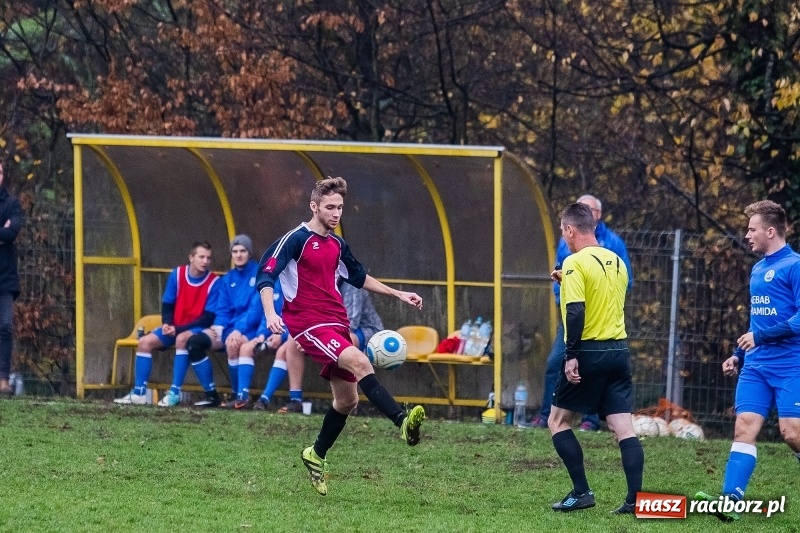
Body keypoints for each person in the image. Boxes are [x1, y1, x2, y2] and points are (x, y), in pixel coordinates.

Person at [256, 176, 426, 496]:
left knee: (347, 401)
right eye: (330, 207)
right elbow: (265, 275)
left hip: (336, 323)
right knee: (361, 362)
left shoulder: (337, 244)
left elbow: (359, 277)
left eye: (340, 208)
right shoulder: (296, 239)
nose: (336, 214)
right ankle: (403, 423)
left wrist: (398, 294)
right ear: (314, 206)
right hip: (308, 323)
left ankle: (315, 454)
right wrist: (269, 313)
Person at [696, 200, 800, 522]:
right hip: (756, 364)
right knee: (744, 428)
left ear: (771, 231)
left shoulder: (795, 265)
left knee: (792, 433)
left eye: (752, 229)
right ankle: (731, 500)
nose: (747, 234)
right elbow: (759, 321)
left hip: (791, 365)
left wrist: (760, 339)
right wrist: (739, 353)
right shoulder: (757, 269)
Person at [548, 202, 643, 515]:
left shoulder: (575, 262)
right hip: (618, 351)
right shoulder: (616, 260)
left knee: (558, 421)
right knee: (623, 428)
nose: (564, 237)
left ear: (571, 230)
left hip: (589, 351)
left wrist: (571, 355)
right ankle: (635, 501)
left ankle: (582, 492)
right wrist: (567, 279)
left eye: (563, 231)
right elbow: (600, 293)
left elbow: (576, 311)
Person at [532, 194, 633, 432]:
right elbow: (564, 271)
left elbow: (625, 280)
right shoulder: (565, 243)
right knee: (554, 363)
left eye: (589, 209)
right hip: (572, 317)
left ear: (596, 216)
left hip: (597, 326)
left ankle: (589, 420)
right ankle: (545, 413)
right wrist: (563, 288)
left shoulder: (614, 244)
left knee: (584, 367)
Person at [256, 277, 385, 413]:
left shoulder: (351, 284)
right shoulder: (314, 280)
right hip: (328, 329)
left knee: (346, 342)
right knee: (292, 341)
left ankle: (348, 401)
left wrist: (316, 341)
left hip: (365, 330)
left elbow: (350, 323)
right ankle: (295, 399)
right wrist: (307, 337)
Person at [115, 241, 219, 405]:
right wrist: (167, 323)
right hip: (175, 327)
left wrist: (177, 329)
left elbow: (207, 318)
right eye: (201, 257)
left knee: (182, 339)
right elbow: (167, 304)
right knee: (144, 342)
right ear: (191, 257)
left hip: (196, 328)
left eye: (208, 258)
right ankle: (139, 393)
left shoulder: (214, 282)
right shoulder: (177, 274)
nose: (205, 261)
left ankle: (174, 392)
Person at [185, 235, 263, 408]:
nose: (238, 255)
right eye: (235, 252)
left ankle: (238, 396)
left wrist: (239, 330)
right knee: (194, 342)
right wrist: (219, 327)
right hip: (228, 328)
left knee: (233, 344)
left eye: (243, 251)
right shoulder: (227, 279)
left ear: (249, 253)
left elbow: (255, 310)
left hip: (251, 329)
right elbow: (223, 309)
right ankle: (212, 395)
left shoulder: (260, 274)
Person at [0, 162, 23, 397]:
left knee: (5, 326)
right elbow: (4, 233)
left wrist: (5, 232)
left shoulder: (12, 204)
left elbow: (11, 231)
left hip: (5, 278)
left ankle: (3, 380)